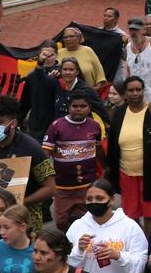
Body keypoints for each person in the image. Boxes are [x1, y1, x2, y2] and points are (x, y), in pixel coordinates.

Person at [106, 75, 151, 236]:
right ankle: (139, 245)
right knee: (130, 216)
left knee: (150, 215)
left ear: (143, 91)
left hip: (150, 174)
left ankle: (150, 250)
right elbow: (113, 143)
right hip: (126, 174)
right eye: (131, 90)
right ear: (124, 93)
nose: (135, 93)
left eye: (138, 90)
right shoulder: (118, 113)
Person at [42, 88, 105, 232]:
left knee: (85, 221)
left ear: (89, 108)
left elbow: (99, 150)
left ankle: (80, 246)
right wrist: (46, 177)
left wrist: (105, 168)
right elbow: (45, 153)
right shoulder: (56, 126)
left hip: (87, 185)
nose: (78, 109)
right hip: (63, 186)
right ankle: (69, 239)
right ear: (69, 107)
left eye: (83, 106)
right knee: (61, 222)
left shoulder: (94, 126)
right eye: (75, 106)